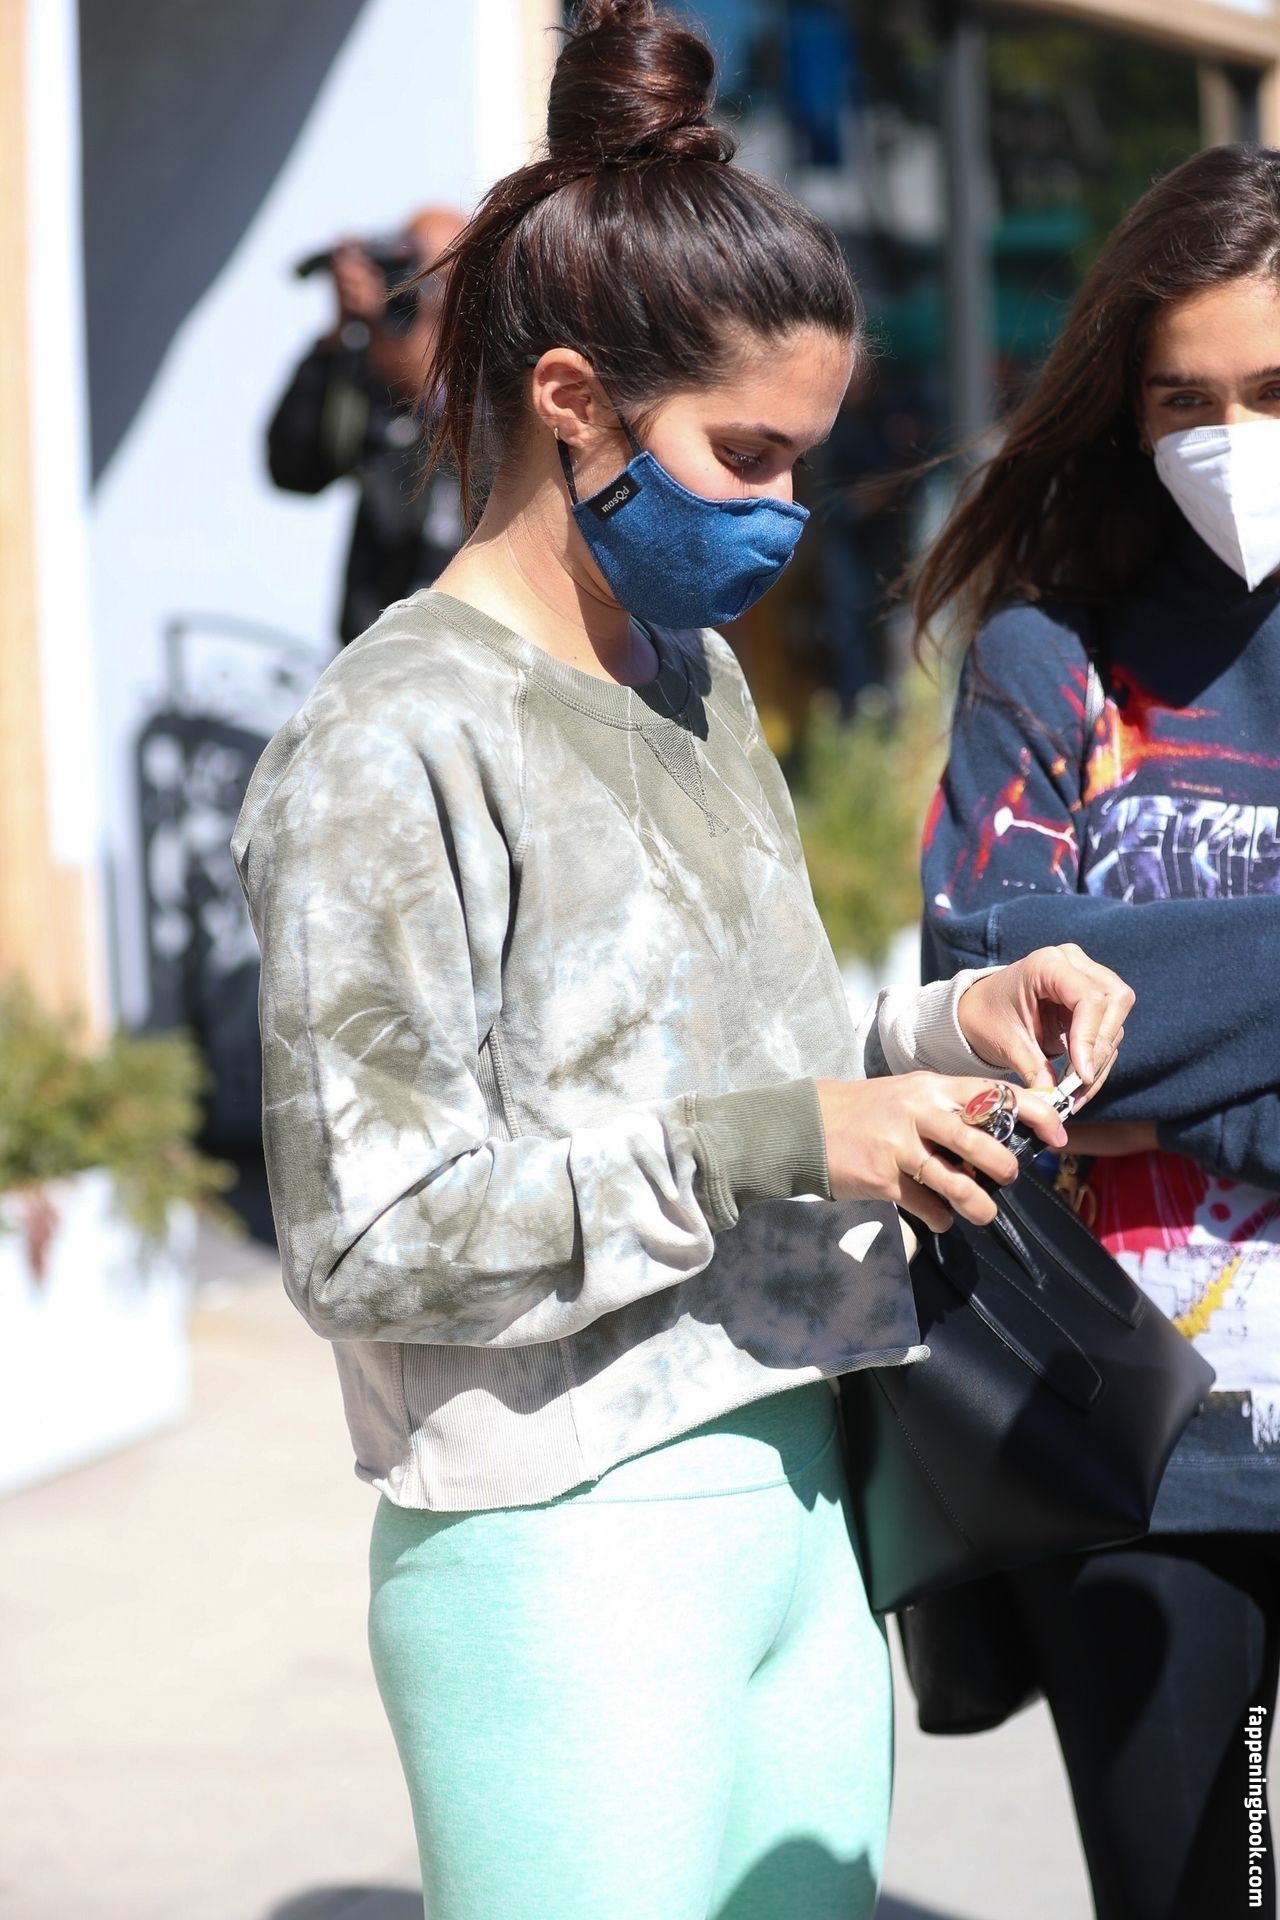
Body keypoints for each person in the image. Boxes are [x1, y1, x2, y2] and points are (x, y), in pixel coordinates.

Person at [232, 6, 1132, 1916]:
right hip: (560, 1551)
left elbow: (730, 1054)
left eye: (806, 461)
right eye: (748, 456)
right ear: (573, 398)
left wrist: (947, 1028)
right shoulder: (388, 743)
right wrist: (786, 1138)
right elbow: (368, 1237)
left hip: (803, 1490)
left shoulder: (695, 681)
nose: (785, 514)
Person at [918, 142, 1280, 1920]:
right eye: (1184, 400)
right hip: (1139, 1433)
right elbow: (995, 1020)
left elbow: (1093, 1019)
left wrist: (1161, 1023)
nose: (1231, 438)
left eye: (1275, 392)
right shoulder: (1047, 656)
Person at [266, 205, 467, 642]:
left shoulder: (504, 382)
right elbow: (293, 470)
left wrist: (391, 343)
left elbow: (446, 413)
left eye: (437, 280)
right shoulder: (375, 374)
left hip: (467, 644)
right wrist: (340, 337)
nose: (424, 294)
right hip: (376, 638)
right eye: (411, 272)